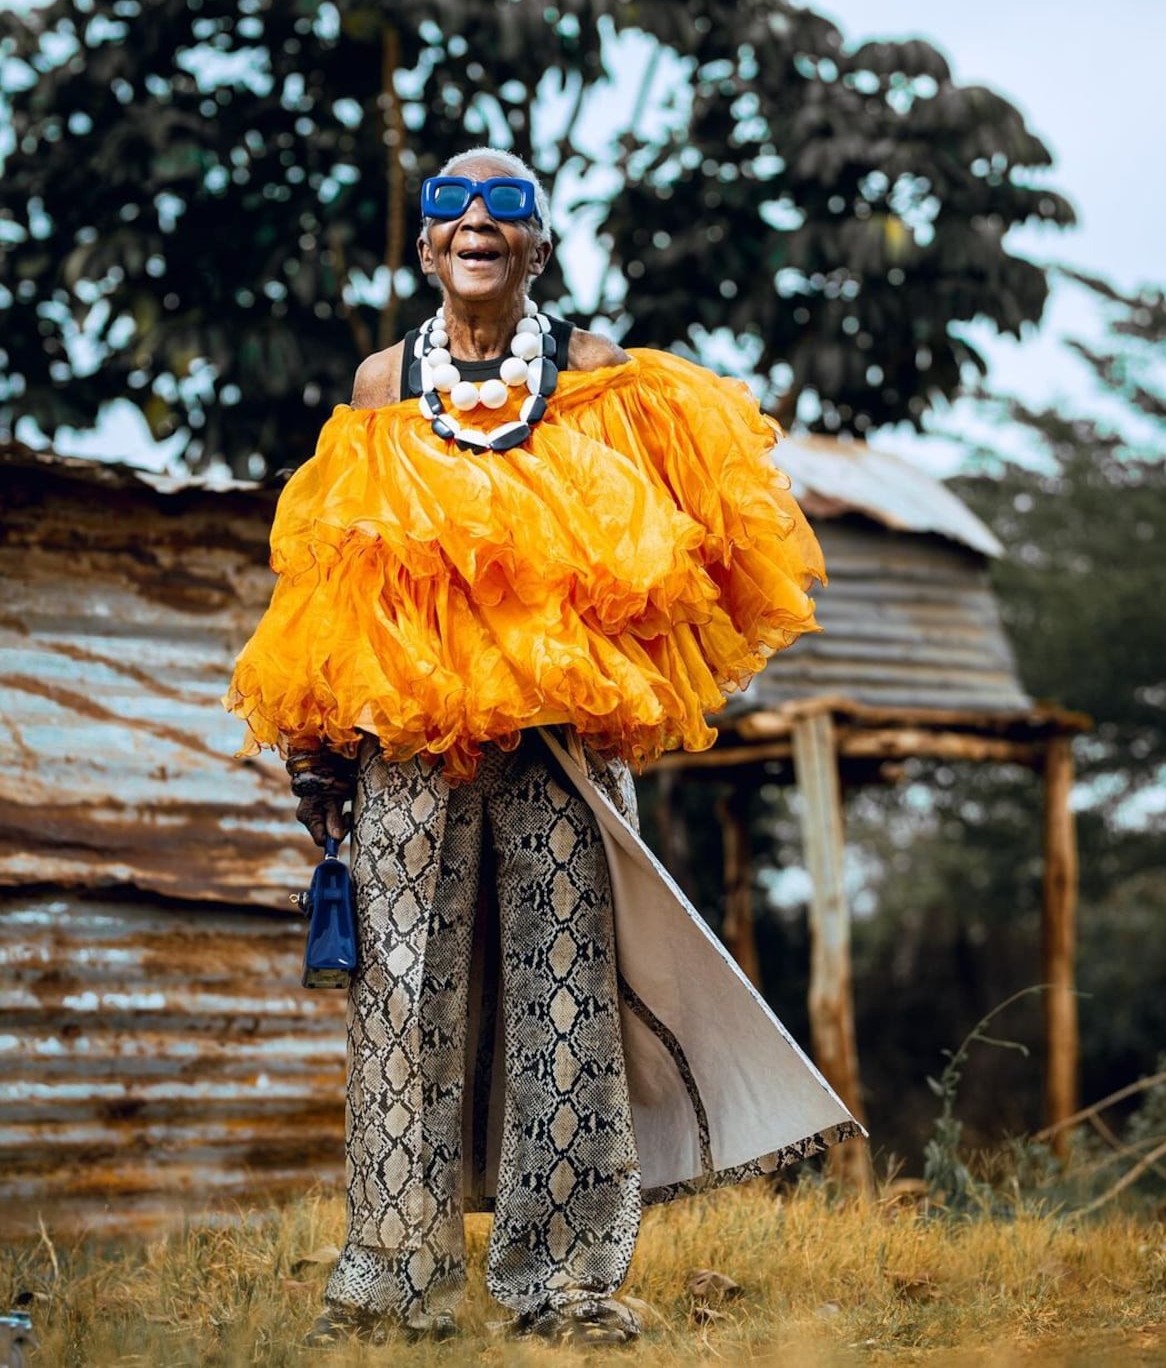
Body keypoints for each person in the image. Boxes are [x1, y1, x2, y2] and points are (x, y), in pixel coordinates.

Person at [225, 147, 862, 1348]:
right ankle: (390, 1283)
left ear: (536, 245)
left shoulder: (592, 376)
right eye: (451, 209)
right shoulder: (378, 386)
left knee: (566, 1006)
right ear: (425, 249)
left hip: (558, 746)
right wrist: (320, 747)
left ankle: (565, 1285)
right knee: (401, 997)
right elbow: (338, 579)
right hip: (411, 743)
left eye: (505, 205)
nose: (476, 221)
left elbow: (658, 553)